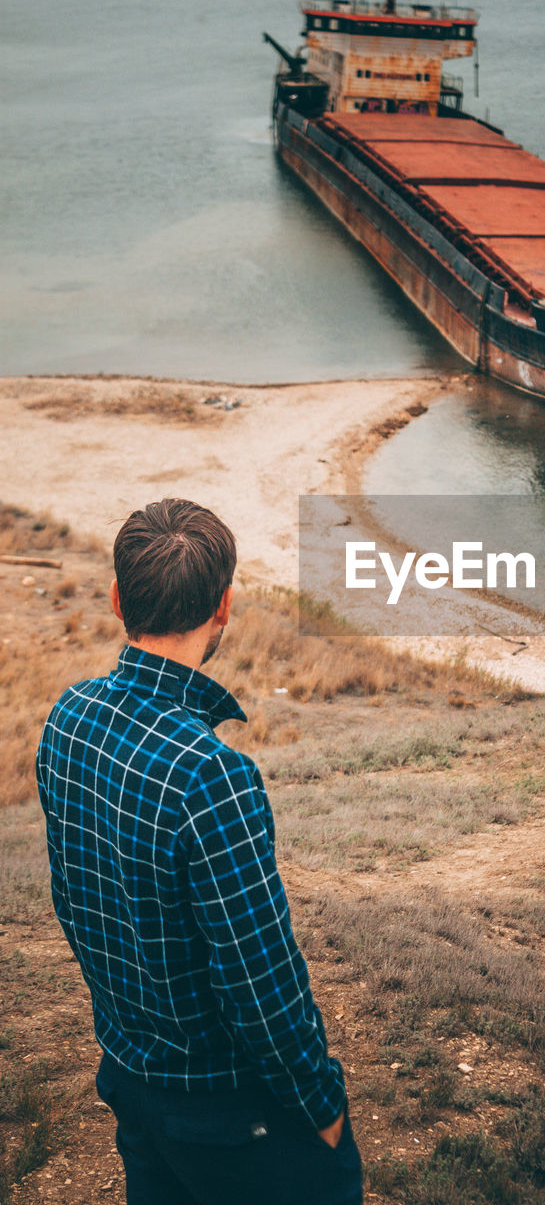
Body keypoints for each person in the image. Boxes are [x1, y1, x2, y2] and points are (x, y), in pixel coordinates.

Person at [36, 498, 362, 1205]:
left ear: (119, 597)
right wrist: (322, 1106)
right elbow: (261, 986)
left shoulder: (66, 717)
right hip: (224, 1112)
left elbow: (71, 901)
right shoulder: (212, 776)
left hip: (129, 1075)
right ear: (223, 606)